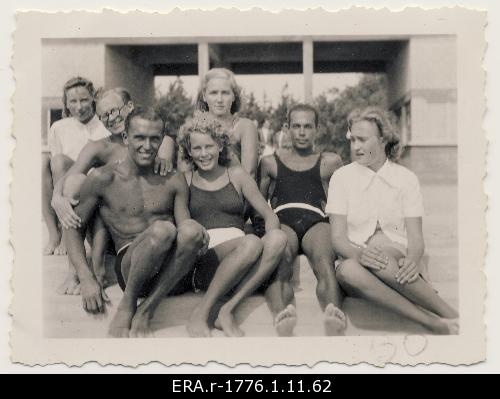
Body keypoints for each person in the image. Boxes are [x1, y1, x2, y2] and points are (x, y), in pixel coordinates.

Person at [64, 106, 208, 338]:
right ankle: (128, 304)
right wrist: (85, 276)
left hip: (172, 274)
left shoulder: (172, 179)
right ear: (125, 138)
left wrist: (198, 235)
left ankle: (145, 310)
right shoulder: (104, 178)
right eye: (139, 137)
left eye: (154, 139)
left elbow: (184, 228)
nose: (147, 146)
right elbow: (73, 227)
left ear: (162, 140)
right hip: (131, 269)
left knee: (189, 230)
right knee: (161, 231)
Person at [328, 106, 459, 335]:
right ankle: (432, 322)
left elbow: (416, 238)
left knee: (382, 255)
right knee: (347, 270)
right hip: (355, 260)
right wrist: (359, 254)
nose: (356, 146)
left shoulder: (405, 179)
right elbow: (338, 238)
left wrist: (413, 259)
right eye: (352, 140)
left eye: (363, 140)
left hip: (395, 258)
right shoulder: (341, 178)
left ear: (382, 140)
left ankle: (450, 315)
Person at [50, 88, 175, 295]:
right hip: (111, 227)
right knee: (74, 183)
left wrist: (163, 158)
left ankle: (98, 263)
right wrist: (56, 197)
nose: (111, 118)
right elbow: (69, 175)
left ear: (129, 108)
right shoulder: (99, 147)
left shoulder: (156, 141)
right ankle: (75, 270)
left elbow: (164, 159)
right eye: (104, 116)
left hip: (148, 225)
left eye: (115, 111)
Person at [177, 114, 288, 337]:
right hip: (205, 259)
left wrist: (271, 240)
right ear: (188, 151)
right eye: (196, 148)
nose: (204, 153)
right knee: (250, 242)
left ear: (220, 145)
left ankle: (227, 309)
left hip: (245, 256)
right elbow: (183, 226)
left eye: (209, 146)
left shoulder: (237, 175)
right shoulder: (185, 179)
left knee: (278, 238)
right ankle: (202, 313)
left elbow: (269, 215)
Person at [260, 104, 346, 336]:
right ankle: (282, 315)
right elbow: (258, 204)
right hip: (283, 221)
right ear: (287, 128)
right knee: (281, 262)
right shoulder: (270, 162)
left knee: (324, 262)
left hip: (316, 221)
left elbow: (344, 201)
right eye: (296, 126)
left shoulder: (330, 162)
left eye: (308, 126)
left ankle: (333, 315)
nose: (301, 132)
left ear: (317, 130)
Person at [43, 77, 109, 256]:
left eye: (84, 100)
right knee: (45, 164)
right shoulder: (58, 127)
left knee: (62, 164)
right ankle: (54, 235)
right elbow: (56, 165)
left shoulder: (105, 125)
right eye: (73, 101)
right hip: (64, 182)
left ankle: (67, 236)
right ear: (66, 103)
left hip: (92, 184)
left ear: (93, 99)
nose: (79, 107)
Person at [193, 68, 259, 178]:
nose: (219, 99)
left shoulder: (245, 126)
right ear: (204, 96)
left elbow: (249, 175)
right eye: (213, 93)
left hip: (235, 191)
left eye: (225, 93)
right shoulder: (194, 127)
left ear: (234, 96)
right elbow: (185, 174)